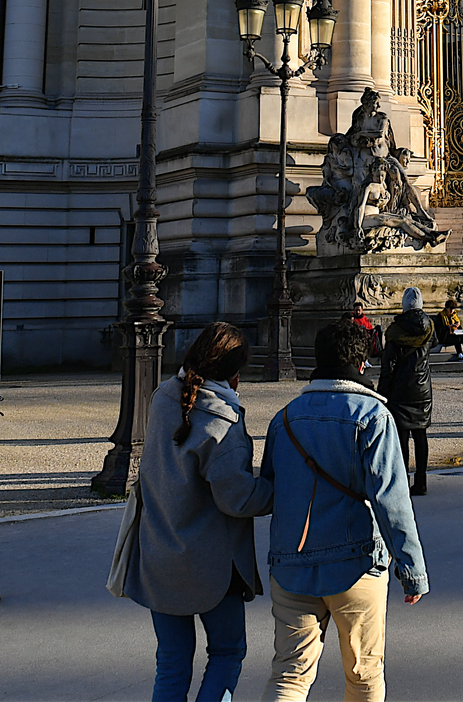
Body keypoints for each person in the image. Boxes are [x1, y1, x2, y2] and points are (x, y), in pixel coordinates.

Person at [261, 319, 427, 700]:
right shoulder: (373, 416)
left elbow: (269, 492)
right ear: (363, 364)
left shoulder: (283, 419)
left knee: (289, 674)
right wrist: (411, 569)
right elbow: (391, 500)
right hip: (355, 564)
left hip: (292, 564)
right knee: (364, 674)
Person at [112, 322, 273, 702]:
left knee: (170, 660)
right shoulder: (222, 423)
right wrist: (275, 489)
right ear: (235, 375)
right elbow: (237, 499)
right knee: (226, 652)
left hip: (158, 552)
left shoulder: (164, 397)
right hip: (212, 565)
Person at [378, 293, 434, 497]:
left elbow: (388, 366)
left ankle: (403, 480)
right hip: (422, 388)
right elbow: (434, 343)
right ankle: (421, 481)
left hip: (401, 389)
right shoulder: (430, 327)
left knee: (402, 438)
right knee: (421, 435)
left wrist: (382, 392)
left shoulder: (395, 331)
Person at [434, 297, 463, 362]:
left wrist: (458, 326)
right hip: (446, 335)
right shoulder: (441, 316)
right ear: (447, 308)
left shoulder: (454, 315)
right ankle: (459, 354)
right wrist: (449, 327)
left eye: (453, 309)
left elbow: (458, 327)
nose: (452, 311)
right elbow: (439, 329)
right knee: (457, 339)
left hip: (455, 333)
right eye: (451, 309)